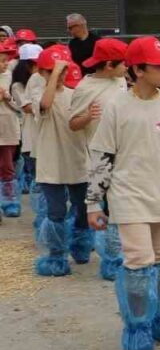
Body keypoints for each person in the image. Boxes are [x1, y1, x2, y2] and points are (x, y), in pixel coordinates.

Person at [87, 36, 160, 350]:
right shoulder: (117, 106)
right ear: (138, 70)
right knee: (138, 260)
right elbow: (102, 154)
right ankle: (138, 324)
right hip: (128, 194)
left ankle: (159, 315)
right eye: (159, 65)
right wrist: (93, 202)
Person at [32, 47, 93, 276]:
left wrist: (89, 116)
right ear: (41, 72)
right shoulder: (39, 94)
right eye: (51, 71)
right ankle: (57, 255)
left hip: (77, 160)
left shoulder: (75, 94)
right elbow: (46, 105)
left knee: (82, 208)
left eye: (64, 70)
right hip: (51, 163)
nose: (59, 75)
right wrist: (55, 74)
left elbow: (82, 123)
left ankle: (81, 246)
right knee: (56, 211)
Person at [72, 37, 128, 280]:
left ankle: (119, 257)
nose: (127, 67)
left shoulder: (121, 81)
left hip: (124, 156)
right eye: (123, 63)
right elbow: (73, 123)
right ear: (108, 65)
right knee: (102, 209)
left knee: (119, 209)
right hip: (99, 159)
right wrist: (87, 116)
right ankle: (109, 259)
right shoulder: (85, 88)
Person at [13, 43, 42, 201]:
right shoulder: (18, 86)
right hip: (32, 140)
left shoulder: (47, 82)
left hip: (49, 138)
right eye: (35, 65)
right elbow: (28, 108)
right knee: (38, 179)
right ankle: (42, 213)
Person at [0, 39, 22, 217]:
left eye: (6, 60)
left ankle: (9, 202)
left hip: (7, 127)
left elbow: (21, 106)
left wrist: (7, 97)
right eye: (2, 61)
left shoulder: (11, 77)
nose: (6, 64)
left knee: (7, 166)